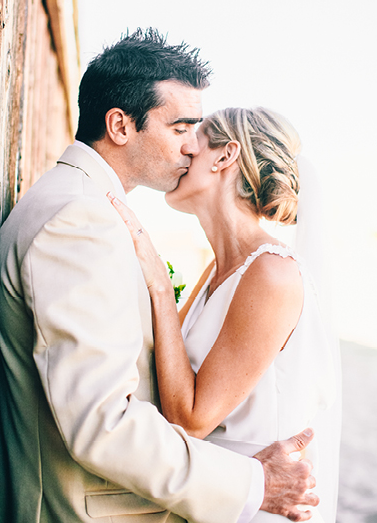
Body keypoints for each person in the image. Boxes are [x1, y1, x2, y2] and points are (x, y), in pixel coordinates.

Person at [0, 28, 318, 523]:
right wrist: (252, 483)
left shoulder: (88, 209)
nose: (190, 148)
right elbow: (103, 424)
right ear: (121, 126)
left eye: (198, 133)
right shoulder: (80, 220)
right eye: (182, 128)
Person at [108, 107, 340, 522]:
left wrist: (160, 286)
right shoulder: (217, 273)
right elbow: (166, 385)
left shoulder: (272, 273)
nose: (181, 149)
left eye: (192, 140)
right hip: (216, 501)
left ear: (224, 156)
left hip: (258, 509)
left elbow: (190, 419)